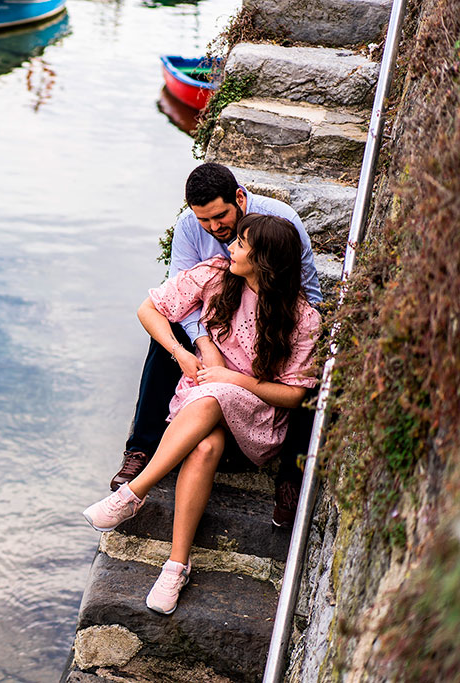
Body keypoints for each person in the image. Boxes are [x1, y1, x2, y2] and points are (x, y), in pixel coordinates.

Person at [83, 213, 320, 614]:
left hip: (256, 419)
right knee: (205, 446)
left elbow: (296, 396)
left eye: (241, 245)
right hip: (201, 401)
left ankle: (133, 494)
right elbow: (149, 309)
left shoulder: (303, 319)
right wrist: (183, 352)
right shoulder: (216, 275)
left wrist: (233, 378)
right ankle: (177, 565)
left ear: (263, 261)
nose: (230, 248)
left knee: (211, 398)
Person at [111, 163, 322, 525]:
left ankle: (291, 476)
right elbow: (180, 294)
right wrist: (201, 344)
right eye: (203, 219)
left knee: (310, 376)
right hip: (217, 322)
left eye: (221, 217)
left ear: (239, 198)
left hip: (273, 321)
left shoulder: (280, 219)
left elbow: (309, 291)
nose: (214, 228)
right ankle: (142, 448)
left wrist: (264, 335)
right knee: (168, 335)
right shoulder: (191, 229)